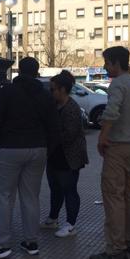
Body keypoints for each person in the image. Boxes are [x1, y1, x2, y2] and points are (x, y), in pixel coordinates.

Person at [0, 57, 60, 259]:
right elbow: (54, 126)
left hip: (8, 150)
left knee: (3, 197)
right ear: (36, 72)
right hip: (38, 150)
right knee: (31, 196)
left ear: (19, 71)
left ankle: (2, 244)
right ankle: (31, 242)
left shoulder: (7, 91)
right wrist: (47, 149)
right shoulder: (45, 95)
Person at [89, 46, 130, 259]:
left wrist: (103, 136)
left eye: (106, 63)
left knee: (113, 197)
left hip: (117, 148)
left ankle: (115, 250)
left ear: (115, 63)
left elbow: (111, 111)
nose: (105, 67)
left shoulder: (118, 84)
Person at [41, 70, 89, 238]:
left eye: (53, 89)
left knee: (69, 189)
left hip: (69, 157)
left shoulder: (72, 108)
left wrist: (49, 138)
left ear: (62, 89)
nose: (51, 92)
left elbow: (69, 134)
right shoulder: (55, 106)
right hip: (55, 155)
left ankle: (70, 224)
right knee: (55, 188)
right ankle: (53, 218)